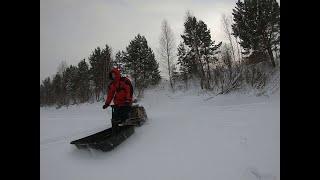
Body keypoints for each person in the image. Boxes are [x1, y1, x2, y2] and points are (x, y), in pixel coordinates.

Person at [102, 67, 133, 134]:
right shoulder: (112, 84)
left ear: (117, 74)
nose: (113, 76)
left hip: (126, 102)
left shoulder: (124, 81)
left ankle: (126, 127)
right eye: (112, 75)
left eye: (114, 74)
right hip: (117, 103)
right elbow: (110, 95)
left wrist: (128, 100)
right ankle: (115, 129)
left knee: (124, 115)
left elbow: (129, 90)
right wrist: (107, 104)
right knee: (115, 117)